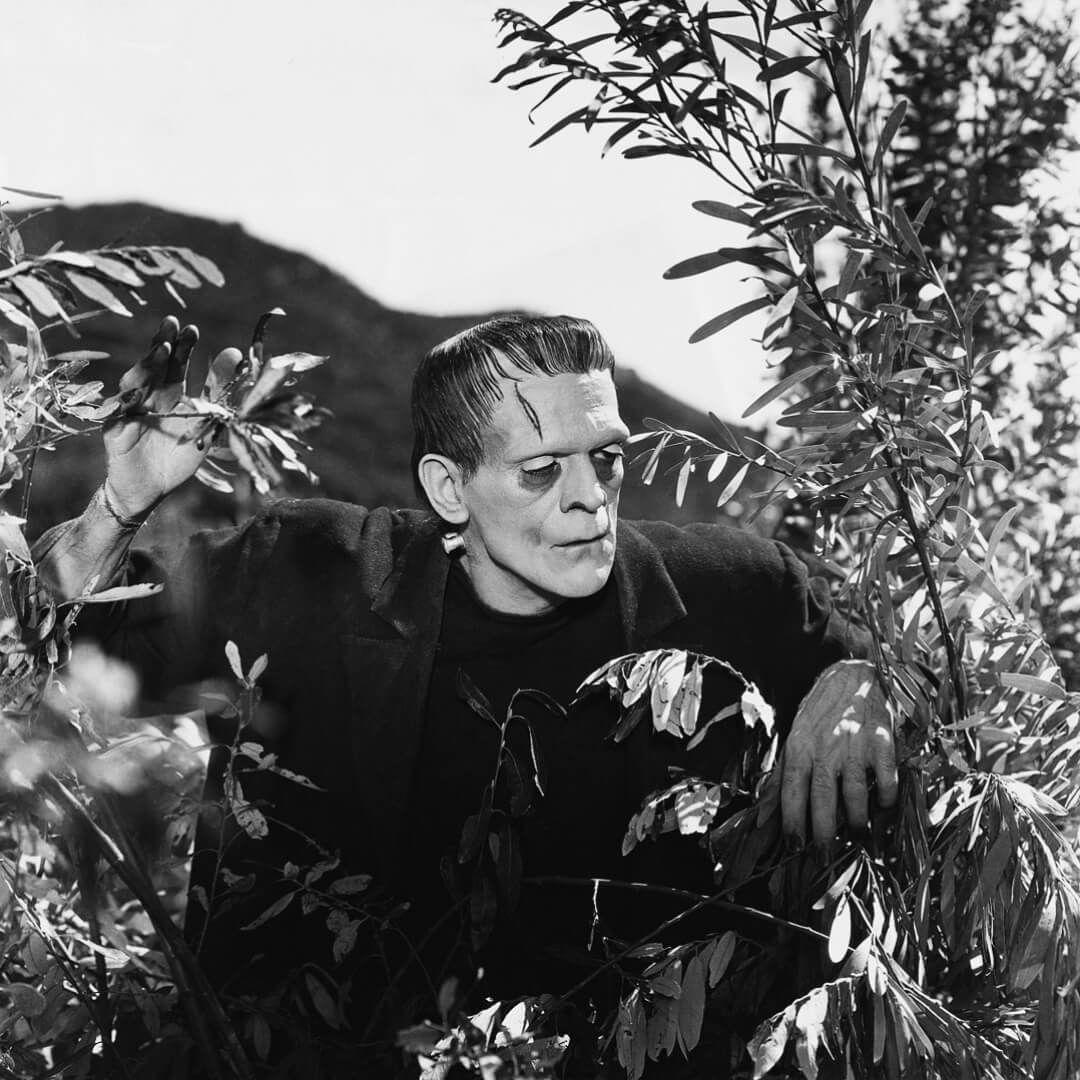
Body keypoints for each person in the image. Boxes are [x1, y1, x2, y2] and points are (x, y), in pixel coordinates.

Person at [35, 313, 896, 1068]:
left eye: (606, 459)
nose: (591, 499)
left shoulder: (732, 590)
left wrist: (861, 680)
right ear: (449, 488)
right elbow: (52, 646)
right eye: (541, 470)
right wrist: (121, 503)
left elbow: (900, 670)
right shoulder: (302, 573)